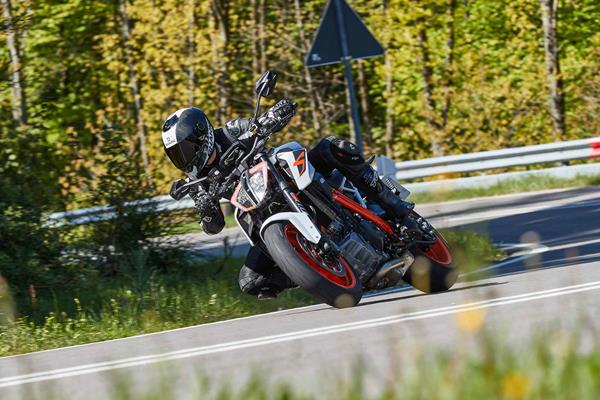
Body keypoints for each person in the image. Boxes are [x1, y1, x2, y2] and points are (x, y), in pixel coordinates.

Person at [162, 100, 414, 299]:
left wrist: (273, 115)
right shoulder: (196, 182)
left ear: (200, 135)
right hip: (261, 214)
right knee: (250, 281)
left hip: (283, 178)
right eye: (176, 155)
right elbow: (213, 225)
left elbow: (256, 125)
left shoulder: (229, 132)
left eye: (185, 150)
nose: (184, 159)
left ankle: (392, 203)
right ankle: (317, 270)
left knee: (331, 147)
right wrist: (205, 208)